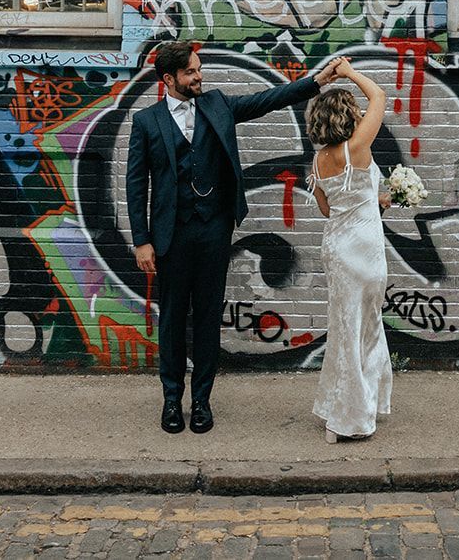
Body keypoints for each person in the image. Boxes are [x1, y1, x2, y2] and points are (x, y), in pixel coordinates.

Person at [127, 41, 345, 434]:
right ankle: (172, 400)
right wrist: (141, 240)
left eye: (198, 69)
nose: (199, 76)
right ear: (168, 79)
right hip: (170, 236)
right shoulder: (146, 122)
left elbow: (268, 99)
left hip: (213, 230)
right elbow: (135, 184)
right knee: (173, 319)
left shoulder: (218, 105)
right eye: (191, 72)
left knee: (209, 317)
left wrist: (316, 81)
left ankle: (202, 402)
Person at [305, 57, 393, 442]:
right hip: (366, 248)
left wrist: (377, 200)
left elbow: (329, 209)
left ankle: (344, 407)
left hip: (337, 249)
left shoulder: (320, 160)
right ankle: (349, 419)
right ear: (347, 115)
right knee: (368, 328)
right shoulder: (357, 147)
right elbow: (380, 96)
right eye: (355, 111)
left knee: (344, 329)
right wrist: (349, 73)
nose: (361, 113)